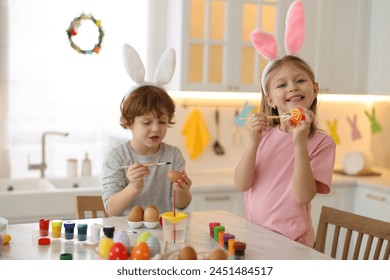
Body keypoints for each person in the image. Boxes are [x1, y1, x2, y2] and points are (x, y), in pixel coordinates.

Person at [234, 54, 336, 247]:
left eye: (300, 80)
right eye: (282, 85)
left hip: (293, 244)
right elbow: (241, 184)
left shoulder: (323, 143)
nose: (292, 87)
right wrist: (253, 141)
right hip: (256, 237)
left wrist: (300, 143)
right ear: (270, 99)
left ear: (315, 89)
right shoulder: (262, 135)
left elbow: (303, 196)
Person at [102, 85, 192, 216]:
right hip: (127, 232)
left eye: (162, 122)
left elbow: (181, 205)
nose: (156, 128)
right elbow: (111, 209)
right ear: (130, 122)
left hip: (163, 230)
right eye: (146, 122)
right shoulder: (117, 157)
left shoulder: (173, 155)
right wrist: (133, 187)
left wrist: (182, 191)